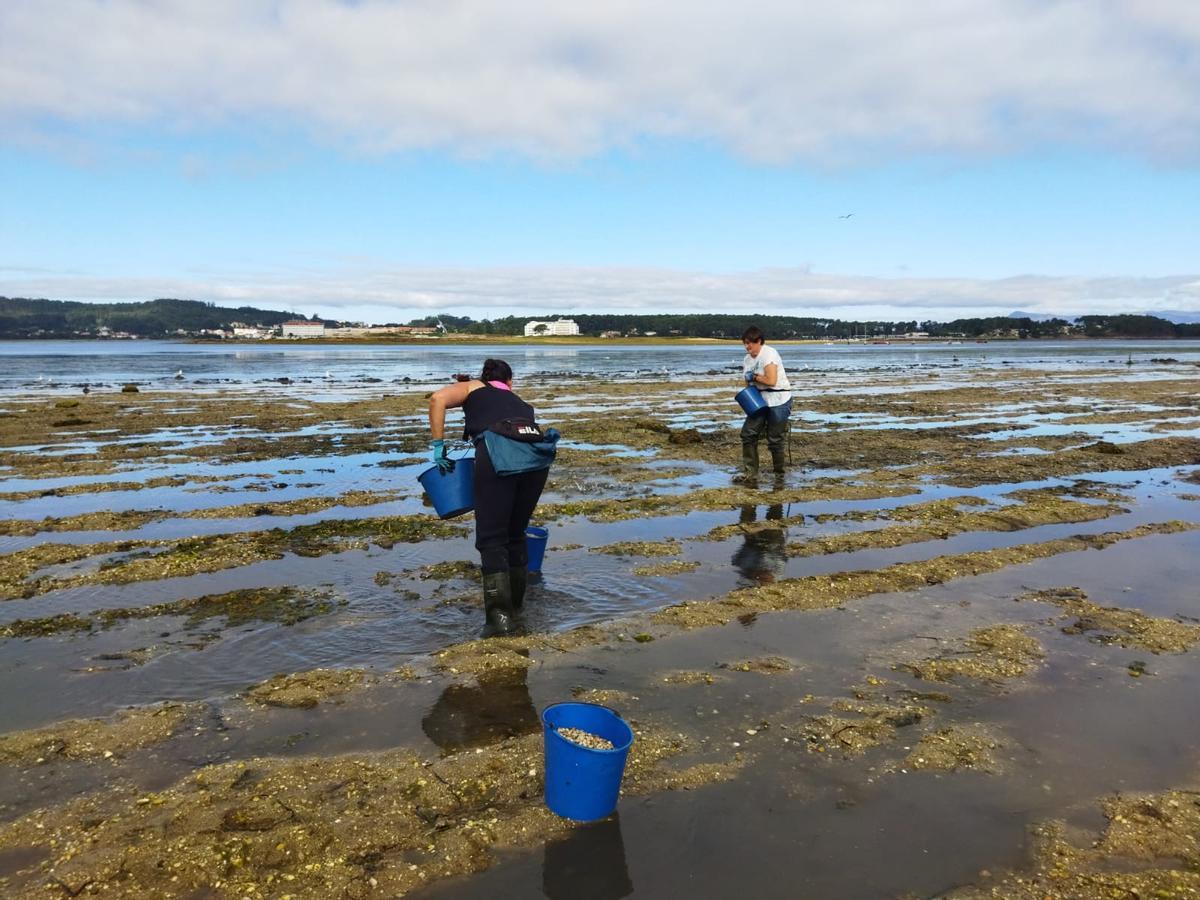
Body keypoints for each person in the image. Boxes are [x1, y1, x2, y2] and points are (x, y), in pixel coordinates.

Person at [429, 358, 551, 636]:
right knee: (515, 533)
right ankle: (517, 612)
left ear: (484, 378)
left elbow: (437, 399)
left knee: (492, 537)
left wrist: (438, 445)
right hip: (537, 460)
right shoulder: (521, 403)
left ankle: (499, 622)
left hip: (499, 455)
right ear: (510, 381)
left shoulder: (473, 387)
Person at [737, 324, 793, 482]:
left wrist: (754, 377)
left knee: (775, 439)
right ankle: (751, 473)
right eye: (745, 343)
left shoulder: (769, 354)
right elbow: (747, 385)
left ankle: (779, 475)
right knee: (748, 435)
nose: (747, 346)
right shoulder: (747, 360)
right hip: (759, 402)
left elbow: (771, 381)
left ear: (759, 341)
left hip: (779, 400)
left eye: (750, 343)